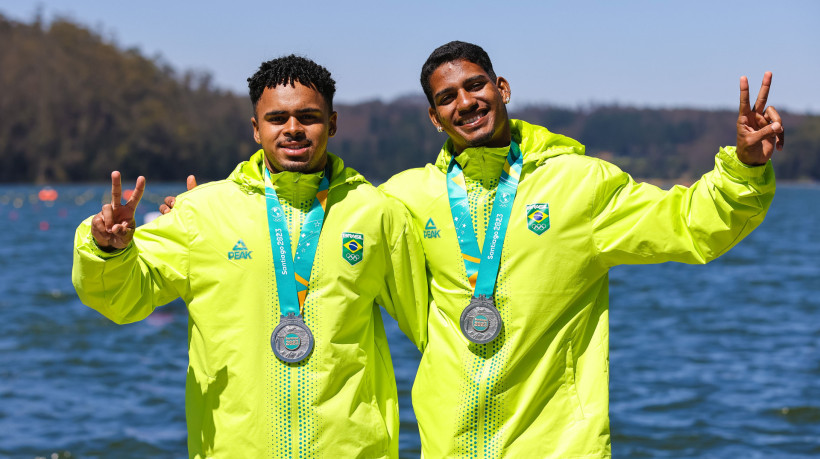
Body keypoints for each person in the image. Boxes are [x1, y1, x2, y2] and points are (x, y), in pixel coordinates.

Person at [377, 41, 782, 457]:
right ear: (434, 116)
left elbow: (687, 223)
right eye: (447, 97)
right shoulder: (405, 198)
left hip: (558, 448)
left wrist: (744, 168)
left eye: (475, 85)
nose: (464, 102)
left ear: (502, 88)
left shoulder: (578, 184)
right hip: (448, 447)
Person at [72, 55, 427, 458]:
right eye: (277, 118)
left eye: (308, 116)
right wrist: (107, 250)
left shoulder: (376, 212)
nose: (293, 129)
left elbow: (436, 329)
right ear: (256, 129)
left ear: (332, 122)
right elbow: (123, 300)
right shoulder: (201, 213)